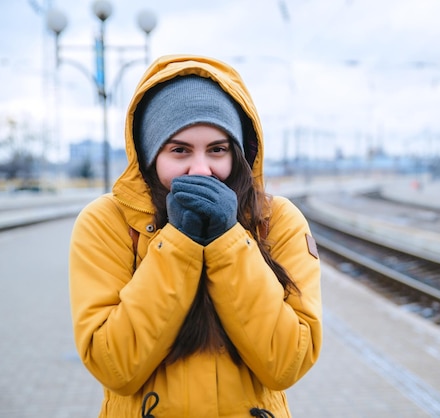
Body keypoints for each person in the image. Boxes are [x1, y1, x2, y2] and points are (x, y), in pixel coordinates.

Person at [68, 54, 322, 417]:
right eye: (179, 150)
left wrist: (228, 240)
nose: (201, 170)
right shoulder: (106, 222)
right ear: (149, 155)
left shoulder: (276, 221)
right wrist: (180, 243)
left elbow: (287, 363)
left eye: (217, 149)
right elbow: (114, 367)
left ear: (238, 154)